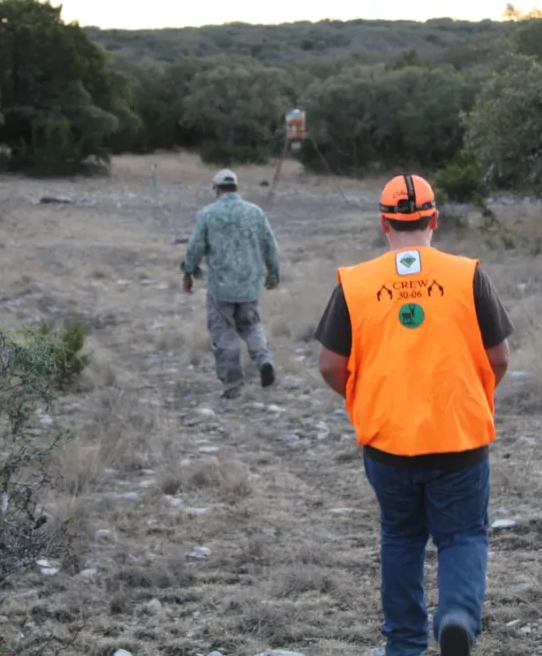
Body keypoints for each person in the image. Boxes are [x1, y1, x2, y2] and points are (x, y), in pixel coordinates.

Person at [313, 174, 514, 656]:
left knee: (401, 537)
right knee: (463, 534)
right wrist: (472, 397)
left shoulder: (357, 283)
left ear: (384, 223)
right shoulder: (466, 274)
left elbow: (329, 364)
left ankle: (403, 644)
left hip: (387, 443)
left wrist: (366, 402)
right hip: (460, 439)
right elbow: (500, 357)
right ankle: (458, 617)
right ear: (435, 219)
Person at [181, 168, 281, 399]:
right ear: (236, 187)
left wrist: (188, 272)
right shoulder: (255, 213)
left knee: (224, 332)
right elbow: (270, 245)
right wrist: (273, 274)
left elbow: (195, 247)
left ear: (216, 189)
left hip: (221, 287)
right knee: (251, 325)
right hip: (249, 285)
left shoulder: (207, 214)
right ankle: (264, 361)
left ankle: (233, 385)